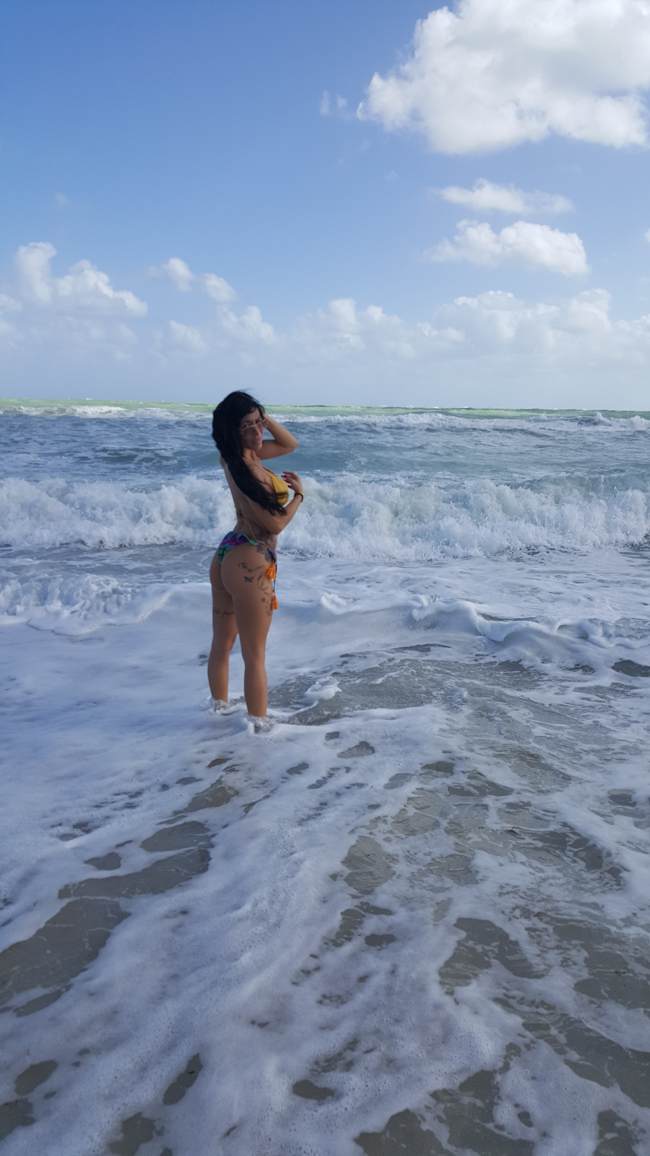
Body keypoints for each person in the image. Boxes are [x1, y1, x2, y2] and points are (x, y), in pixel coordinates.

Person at [209, 391, 303, 729]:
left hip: (227, 555)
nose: (257, 431)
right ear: (232, 431)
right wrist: (299, 496)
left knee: (222, 646)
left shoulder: (238, 457)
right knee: (255, 656)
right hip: (250, 562)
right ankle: (258, 735)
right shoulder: (246, 469)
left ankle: (216, 716)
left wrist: (263, 418)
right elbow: (274, 524)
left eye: (258, 423)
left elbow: (290, 444)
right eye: (247, 426)